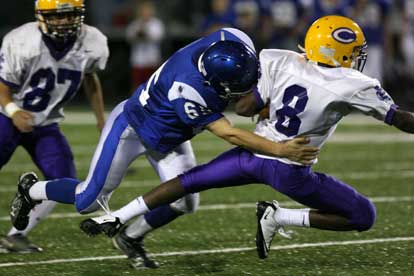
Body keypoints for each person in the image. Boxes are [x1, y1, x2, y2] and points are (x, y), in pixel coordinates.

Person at [73, 15, 413, 262]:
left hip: (248, 158)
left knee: (188, 182)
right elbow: (398, 118)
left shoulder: (277, 59)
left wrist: (264, 106)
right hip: (287, 169)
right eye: (353, 52)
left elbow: (247, 108)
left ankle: (119, 216)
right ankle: (279, 217)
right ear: (340, 54)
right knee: (363, 215)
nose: (357, 58)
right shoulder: (356, 84)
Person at [9, 27, 319, 268]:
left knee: (186, 202)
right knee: (88, 200)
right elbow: (230, 134)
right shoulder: (189, 91)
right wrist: (280, 150)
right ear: (214, 83)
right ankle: (32, 190)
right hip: (134, 128)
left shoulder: (234, 40)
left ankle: (131, 237)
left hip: (171, 135)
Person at [0, 0, 107, 253]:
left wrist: (101, 119)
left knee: (64, 181)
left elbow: (91, 78)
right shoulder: (22, 41)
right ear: (40, 17)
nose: (64, 21)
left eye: (70, 15)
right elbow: (2, 88)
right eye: (56, 16)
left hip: (45, 122)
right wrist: (14, 112)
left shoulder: (93, 41)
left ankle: (15, 237)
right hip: (6, 115)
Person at [126, 0, 165, 89]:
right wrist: (138, 33)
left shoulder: (156, 24)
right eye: (143, 11)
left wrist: (145, 32)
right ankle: (135, 103)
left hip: (152, 59)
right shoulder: (135, 24)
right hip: (138, 60)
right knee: (137, 85)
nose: (145, 13)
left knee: (153, 86)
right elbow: (129, 38)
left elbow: (157, 37)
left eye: (147, 10)